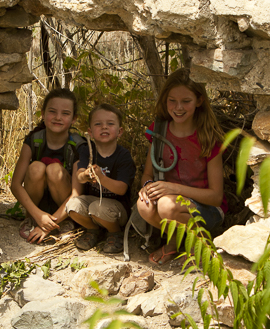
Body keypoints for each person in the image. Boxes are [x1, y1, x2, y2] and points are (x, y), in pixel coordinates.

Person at [137, 69, 225, 264]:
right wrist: (147, 187)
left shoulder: (208, 137)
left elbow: (216, 197)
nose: (178, 107)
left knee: (166, 205)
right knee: (144, 206)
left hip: (206, 209)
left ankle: (199, 243)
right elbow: (147, 174)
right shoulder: (158, 131)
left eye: (186, 101)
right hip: (170, 204)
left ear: (199, 101)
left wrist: (172, 188)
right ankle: (177, 241)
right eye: (172, 100)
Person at [10, 88, 83, 244]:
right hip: (37, 208)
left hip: (65, 207)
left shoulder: (78, 145)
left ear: (74, 119)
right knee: (36, 167)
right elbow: (15, 185)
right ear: (42, 114)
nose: (58, 117)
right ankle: (31, 220)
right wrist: (38, 215)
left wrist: (47, 227)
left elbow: (76, 194)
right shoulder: (33, 140)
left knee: (54, 170)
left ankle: (63, 222)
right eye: (52, 111)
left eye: (65, 113)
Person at [65, 103, 137, 254]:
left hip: (117, 208)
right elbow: (79, 176)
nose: (104, 127)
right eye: (98, 124)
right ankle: (94, 230)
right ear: (90, 132)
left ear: (120, 131)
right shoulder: (87, 150)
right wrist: (85, 175)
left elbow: (122, 188)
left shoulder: (123, 156)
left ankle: (115, 232)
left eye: (110, 124)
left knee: (98, 208)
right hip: (93, 205)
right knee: (72, 205)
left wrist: (101, 178)